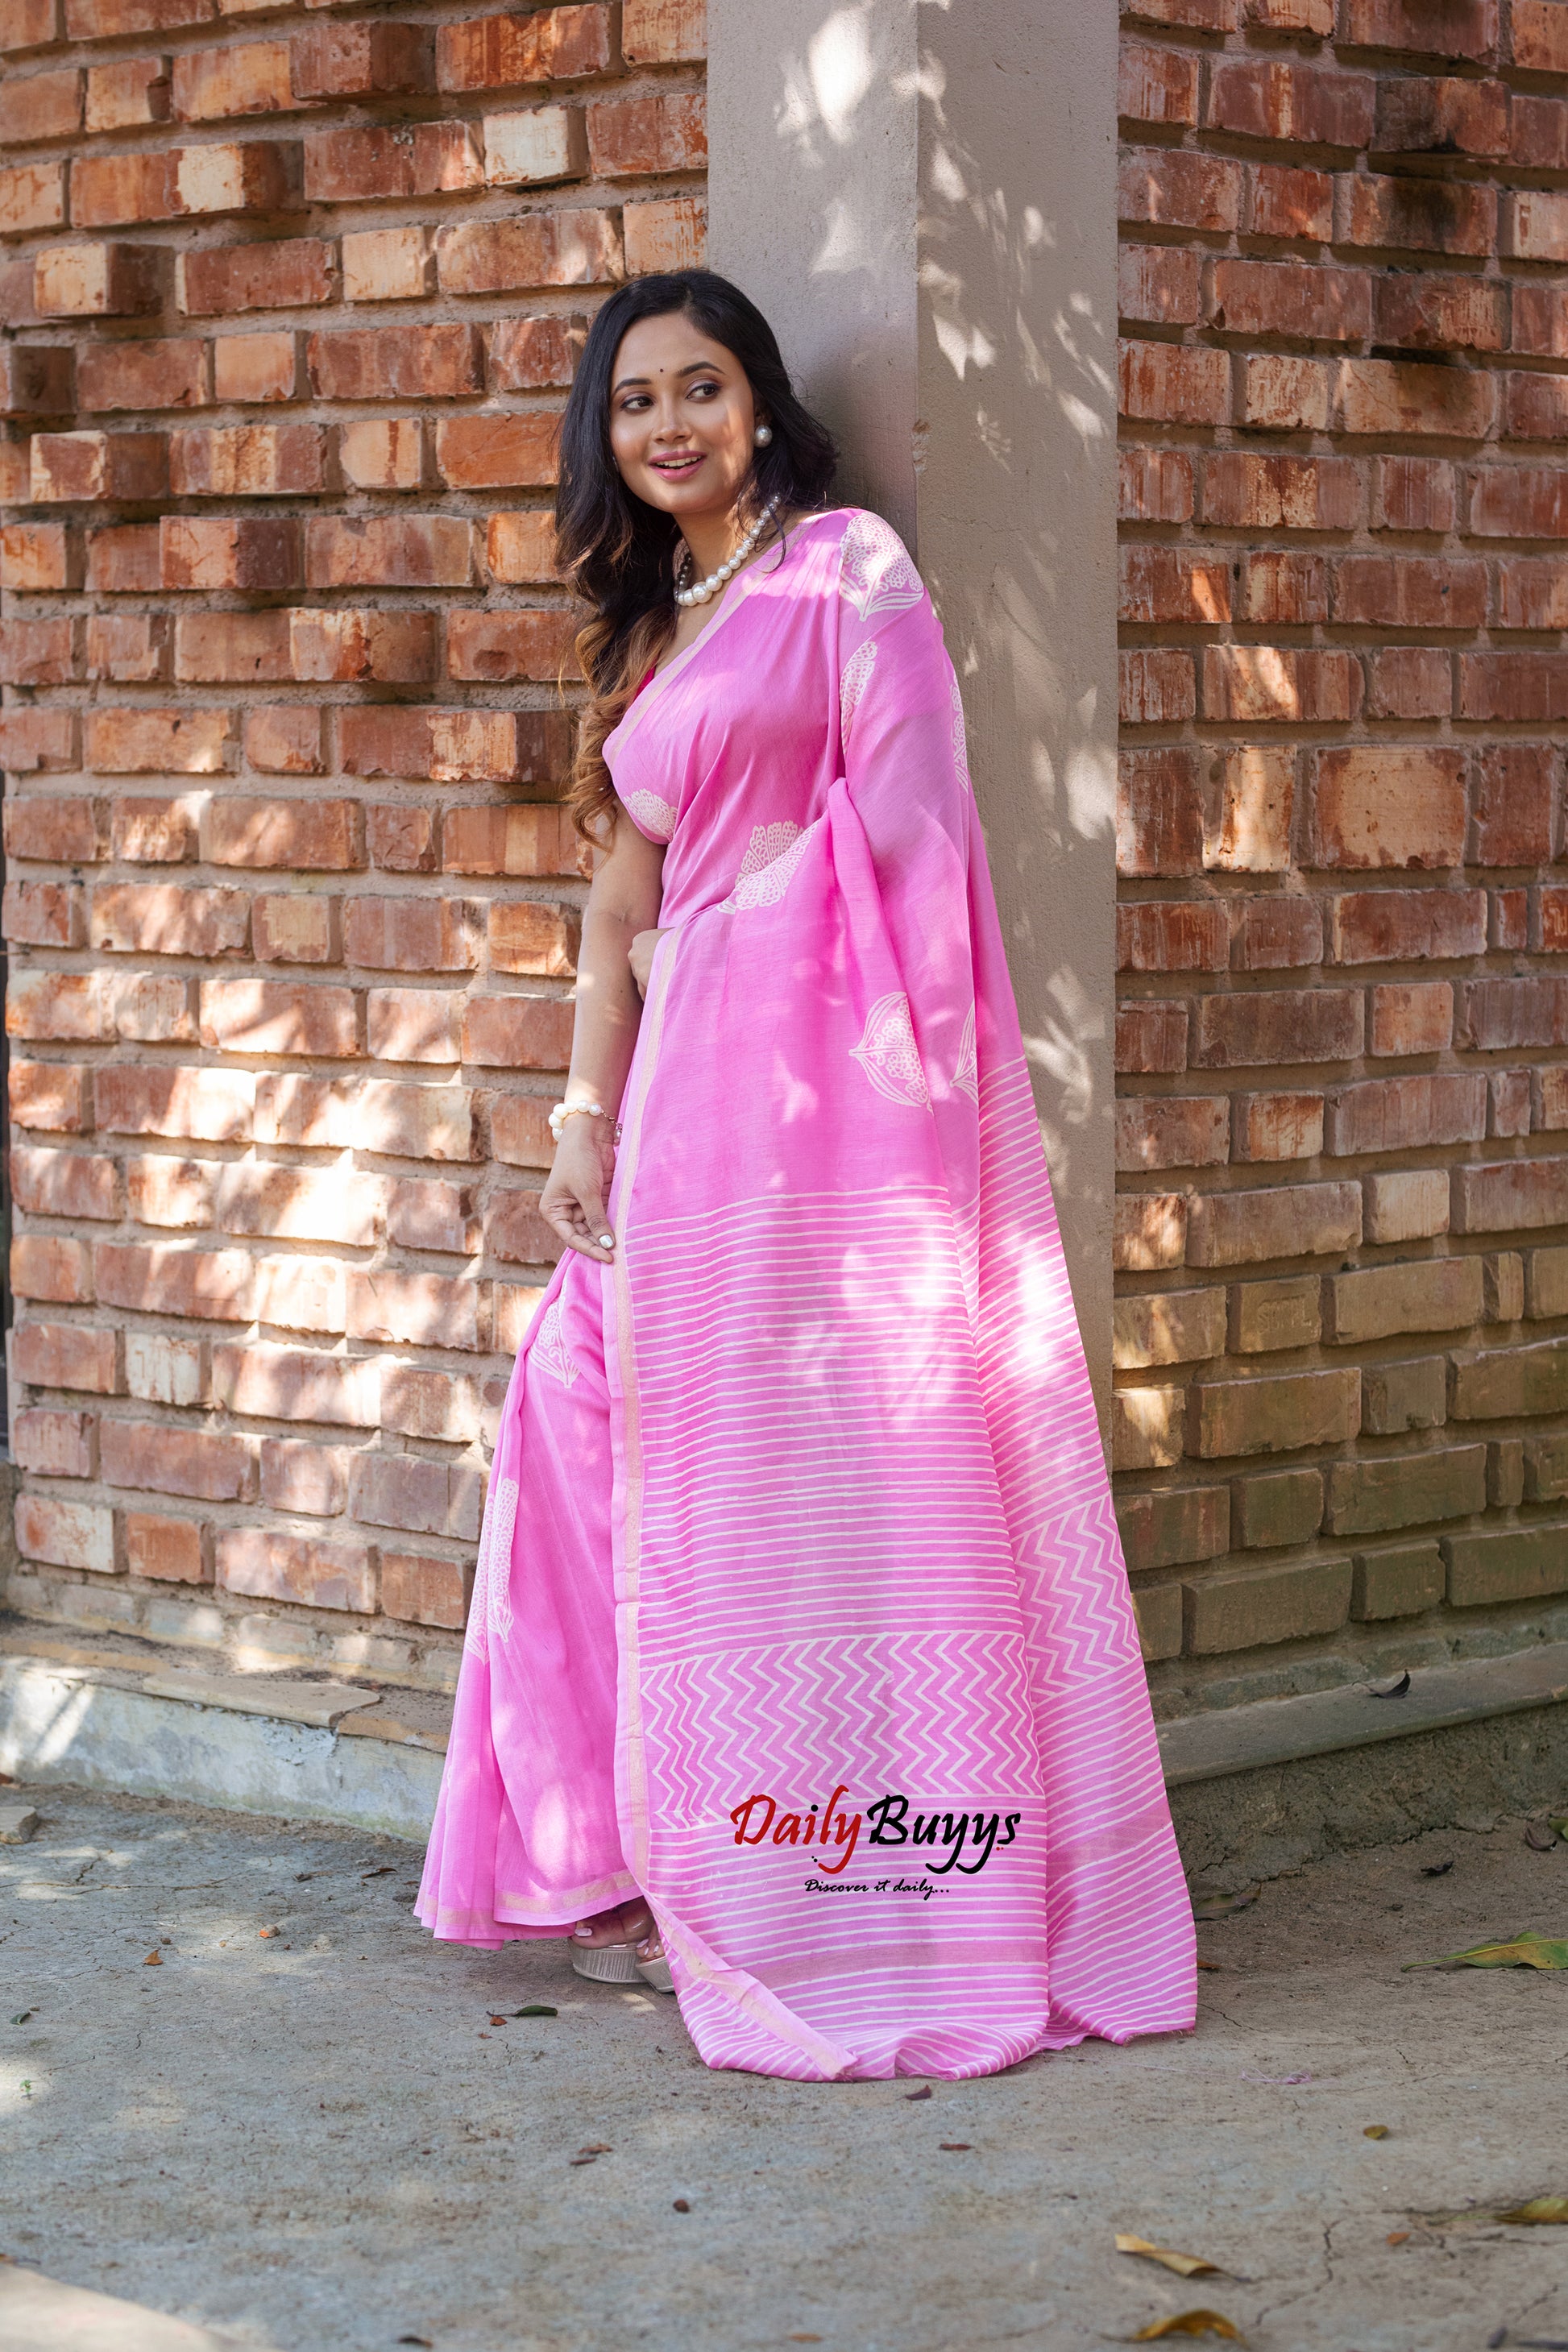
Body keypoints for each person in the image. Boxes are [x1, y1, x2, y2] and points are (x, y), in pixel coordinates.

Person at [417, 268, 1196, 2081]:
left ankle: (813, 1878)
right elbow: (618, 898)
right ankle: (618, 1855)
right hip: (676, 1115)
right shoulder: (652, 631)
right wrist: (581, 1116)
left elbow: (909, 826)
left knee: (775, 1485)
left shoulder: (849, 572)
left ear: (760, 400)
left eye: (699, 387)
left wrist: (752, 970)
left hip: (811, 1114)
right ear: (606, 440)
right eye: (634, 402)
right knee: (576, 1420)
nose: (668, 425)